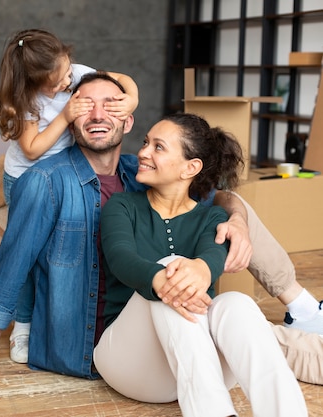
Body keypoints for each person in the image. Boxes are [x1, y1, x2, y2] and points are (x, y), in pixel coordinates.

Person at [0, 71, 323, 388]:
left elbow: (215, 191)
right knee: (196, 295)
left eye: (110, 105)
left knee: (259, 335)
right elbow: (11, 268)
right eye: (84, 105)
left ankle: (303, 312)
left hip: (167, 324)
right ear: (70, 120)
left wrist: (237, 221)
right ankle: (301, 319)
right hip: (98, 346)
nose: (97, 114)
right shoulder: (45, 181)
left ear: (127, 123)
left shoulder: (139, 173)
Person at [95, 112, 307, 416]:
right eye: (145, 143)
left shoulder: (214, 219)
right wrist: (161, 279)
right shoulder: (122, 206)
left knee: (236, 302)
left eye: (158, 147)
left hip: (201, 368)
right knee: (173, 266)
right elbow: (121, 258)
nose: (142, 152)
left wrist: (204, 268)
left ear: (190, 168)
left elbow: (212, 256)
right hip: (131, 364)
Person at [0, 28, 139, 363]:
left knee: (63, 246)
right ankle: (23, 326)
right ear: (33, 83)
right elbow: (31, 149)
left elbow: (124, 80)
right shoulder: (27, 99)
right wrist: (65, 115)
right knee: (28, 253)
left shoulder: (77, 73)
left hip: (68, 171)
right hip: (27, 177)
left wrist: (129, 99)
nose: (66, 82)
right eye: (57, 83)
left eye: (67, 71)